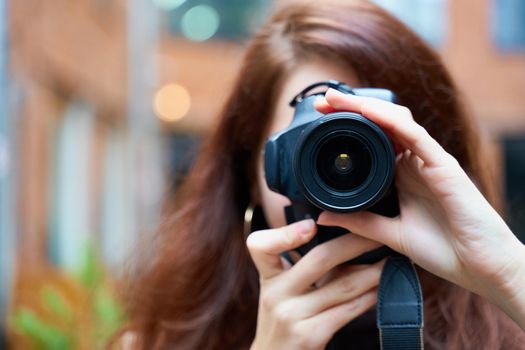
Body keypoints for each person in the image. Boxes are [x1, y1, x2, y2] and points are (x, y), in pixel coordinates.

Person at [118, 0, 525, 349]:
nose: (341, 176)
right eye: (308, 145)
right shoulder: (158, 341)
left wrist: (509, 275)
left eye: (376, 146)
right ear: (255, 172)